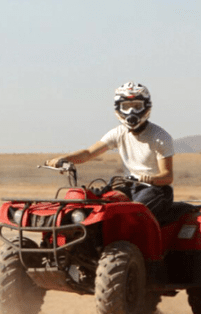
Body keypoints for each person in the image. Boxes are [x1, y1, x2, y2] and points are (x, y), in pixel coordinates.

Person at [45, 81, 174, 224]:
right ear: (119, 108)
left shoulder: (160, 137)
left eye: (137, 106)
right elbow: (88, 153)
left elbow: (167, 176)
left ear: (146, 107)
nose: (131, 111)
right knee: (95, 206)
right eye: (126, 106)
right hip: (128, 186)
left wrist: (149, 179)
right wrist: (63, 158)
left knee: (131, 215)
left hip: (155, 190)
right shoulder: (119, 133)